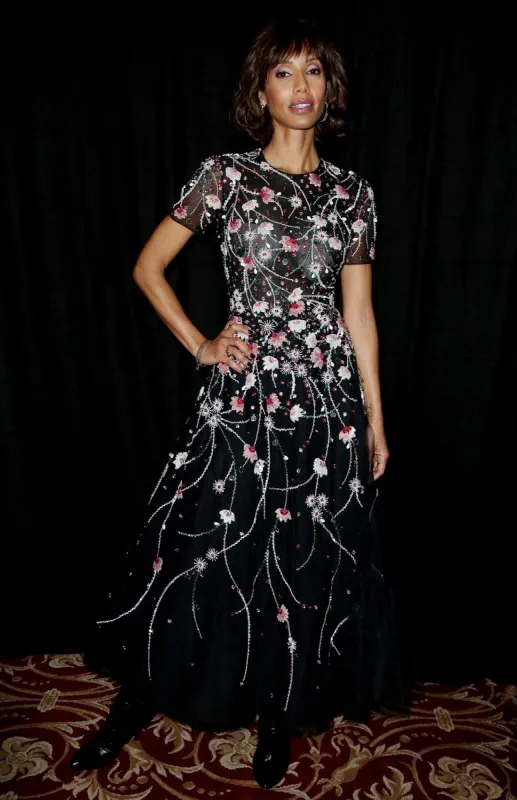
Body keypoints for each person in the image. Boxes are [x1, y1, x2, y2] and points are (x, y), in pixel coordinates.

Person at [70, 17, 412, 790]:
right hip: (244, 399)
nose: (300, 87)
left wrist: (376, 420)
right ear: (259, 90)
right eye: (284, 73)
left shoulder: (352, 193)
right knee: (201, 552)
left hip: (326, 399)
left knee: (302, 563)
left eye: (314, 72)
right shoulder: (222, 178)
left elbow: (358, 316)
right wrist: (200, 343)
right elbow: (147, 267)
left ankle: (278, 712)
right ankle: (142, 696)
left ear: (330, 90)